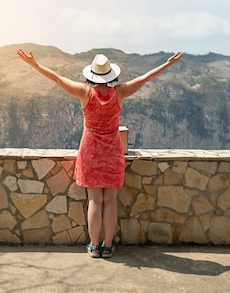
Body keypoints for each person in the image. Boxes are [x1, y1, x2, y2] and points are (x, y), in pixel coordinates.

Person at [16, 48, 185, 258]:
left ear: (91, 75)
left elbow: (57, 79)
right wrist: (168, 64)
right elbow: (146, 78)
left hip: (90, 152)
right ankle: (107, 245)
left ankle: (94, 246)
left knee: (94, 201)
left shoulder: (84, 92)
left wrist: (34, 64)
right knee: (111, 200)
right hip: (113, 152)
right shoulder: (121, 92)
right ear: (112, 74)